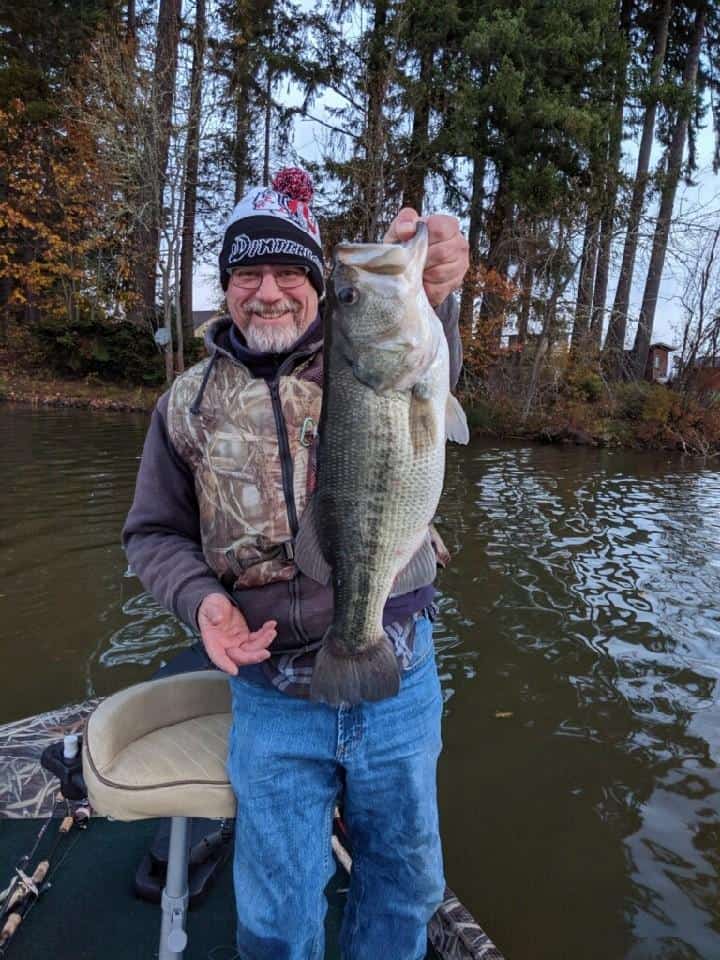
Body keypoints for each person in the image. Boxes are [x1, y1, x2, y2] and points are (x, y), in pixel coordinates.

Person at [122, 167, 469, 960]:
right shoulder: (185, 404)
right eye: (248, 273)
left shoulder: (360, 359)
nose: (268, 292)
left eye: (290, 273)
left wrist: (437, 287)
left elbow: (420, 356)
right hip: (271, 691)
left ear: (318, 287)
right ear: (227, 287)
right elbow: (152, 535)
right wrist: (201, 602)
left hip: (398, 672)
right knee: (277, 916)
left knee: (405, 888)